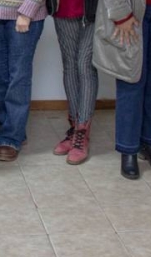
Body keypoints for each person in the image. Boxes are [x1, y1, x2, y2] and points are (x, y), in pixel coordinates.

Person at [93, 0, 151, 180]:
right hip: (132, 11)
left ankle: (149, 143)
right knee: (131, 81)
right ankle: (128, 149)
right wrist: (121, 13)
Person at [0, 0, 47, 162]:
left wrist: (27, 11)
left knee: (18, 77)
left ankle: (11, 138)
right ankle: (8, 131)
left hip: (23, 14)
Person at [48, 0, 98, 165]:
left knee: (85, 64)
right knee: (70, 65)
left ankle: (82, 132)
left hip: (94, 9)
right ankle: (75, 128)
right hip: (63, 8)